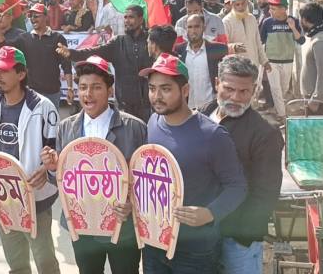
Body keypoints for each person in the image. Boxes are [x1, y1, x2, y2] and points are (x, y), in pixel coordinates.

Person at [139, 53, 247, 273]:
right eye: (152, 88)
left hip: (195, 251)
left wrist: (210, 213)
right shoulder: (153, 122)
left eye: (166, 89)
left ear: (185, 90)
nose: (157, 96)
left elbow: (237, 187)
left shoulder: (213, 135)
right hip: (154, 243)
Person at [41, 55, 145, 274]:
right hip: (82, 227)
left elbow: (146, 183)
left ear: (110, 90)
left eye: (96, 87)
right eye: (83, 87)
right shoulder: (66, 128)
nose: (88, 94)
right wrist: (52, 169)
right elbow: (61, 181)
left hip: (123, 228)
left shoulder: (134, 128)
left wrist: (133, 205)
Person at [0, 46, 61, 273]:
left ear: (21, 74)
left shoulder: (43, 107)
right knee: (16, 263)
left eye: (4, 71)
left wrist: (46, 169)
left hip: (36, 198)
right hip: (4, 196)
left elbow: (56, 149)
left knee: (45, 261)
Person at [198, 55, 283, 274]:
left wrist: (242, 237)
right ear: (217, 83)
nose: (236, 98)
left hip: (237, 239)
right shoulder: (202, 115)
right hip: (201, 233)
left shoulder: (264, 133)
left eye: (244, 91)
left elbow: (266, 193)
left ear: (254, 90)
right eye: (229, 89)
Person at [57, 5, 153, 122]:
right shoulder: (118, 42)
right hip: (125, 106)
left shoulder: (151, 41)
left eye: (131, 17)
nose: (127, 21)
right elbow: (93, 51)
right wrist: (71, 53)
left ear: (141, 19)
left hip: (149, 105)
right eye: (125, 17)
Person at [13, 3, 74, 108]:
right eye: (31, 16)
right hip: (31, 93)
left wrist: (70, 88)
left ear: (46, 17)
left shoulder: (58, 38)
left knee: (51, 119)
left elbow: (66, 65)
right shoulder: (23, 39)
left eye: (36, 16)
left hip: (52, 93)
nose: (33, 19)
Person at [260, 0, 305, 119]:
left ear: (283, 9)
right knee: (276, 89)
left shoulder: (294, 21)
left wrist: (293, 27)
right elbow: (261, 40)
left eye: (273, 9)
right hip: (271, 61)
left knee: (283, 89)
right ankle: (282, 115)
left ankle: (277, 109)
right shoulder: (267, 22)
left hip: (288, 61)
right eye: (270, 8)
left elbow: (301, 41)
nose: (270, 11)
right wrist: (263, 61)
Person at [175, 15, 228, 108]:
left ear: (203, 28)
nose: (193, 31)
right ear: (186, 29)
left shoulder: (217, 49)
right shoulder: (178, 51)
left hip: (210, 106)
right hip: (187, 107)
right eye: (190, 27)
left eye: (197, 26)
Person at [223, 0, 271, 84]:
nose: (241, 7)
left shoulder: (252, 19)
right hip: (237, 67)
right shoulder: (226, 21)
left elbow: (258, 42)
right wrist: (233, 47)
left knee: (253, 90)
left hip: (253, 64)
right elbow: (223, 46)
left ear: (246, 3)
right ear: (232, 5)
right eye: (237, 5)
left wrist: (264, 61)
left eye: (243, 4)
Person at [299, 2, 323, 114]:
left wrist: (316, 99)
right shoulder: (316, 37)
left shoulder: (319, 41)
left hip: (317, 103)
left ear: (304, 20)